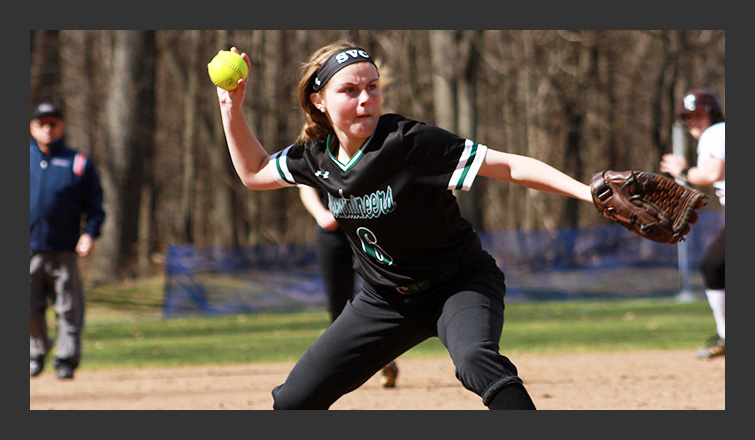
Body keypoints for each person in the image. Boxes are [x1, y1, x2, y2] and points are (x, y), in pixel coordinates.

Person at [214, 42, 593, 410]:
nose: (366, 100)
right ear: (319, 101)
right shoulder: (315, 155)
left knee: (477, 360)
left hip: (458, 283)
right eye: (349, 90)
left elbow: (508, 165)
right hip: (385, 301)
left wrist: (588, 193)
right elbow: (254, 172)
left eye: (372, 87)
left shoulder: (408, 143)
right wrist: (231, 106)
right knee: (294, 401)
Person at [30, 102, 106, 380]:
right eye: (42, 123)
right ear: (32, 127)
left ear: (61, 127)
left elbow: (95, 206)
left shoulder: (77, 162)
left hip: (65, 249)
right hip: (29, 250)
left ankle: (66, 360)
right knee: (27, 306)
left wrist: (89, 234)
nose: (48, 129)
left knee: (68, 308)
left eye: (53, 123)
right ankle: (38, 351)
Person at [298, 185, 399, 387]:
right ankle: (344, 368)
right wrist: (321, 213)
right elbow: (305, 186)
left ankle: (384, 357)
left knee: (382, 298)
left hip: (370, 230)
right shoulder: (315, 153)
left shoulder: (370, 153)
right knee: (339, 307)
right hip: (332, 231)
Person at [661, 88, 725, 359]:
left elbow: (713, 173)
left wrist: (681, 171)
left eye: (699, 114)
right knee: (715, 266)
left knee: (713, 265)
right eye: (688, 117)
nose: (693, 122)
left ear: (712, 113)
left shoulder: (716, 133)